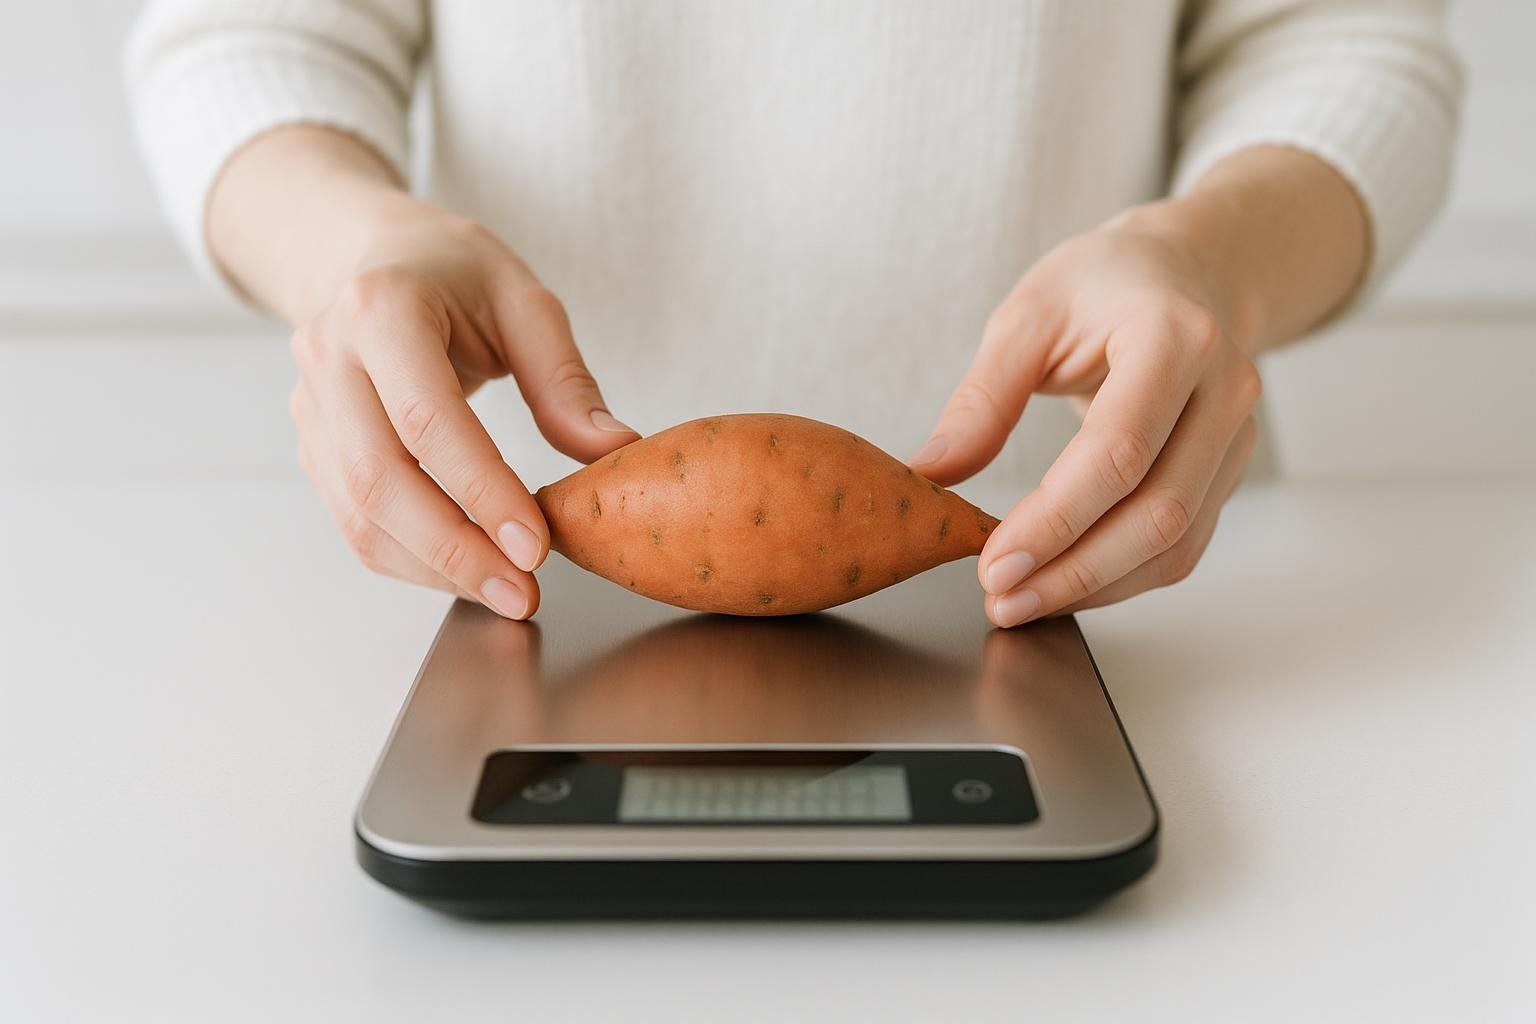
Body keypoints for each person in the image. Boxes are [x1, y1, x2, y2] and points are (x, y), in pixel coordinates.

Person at [126, 1, 1461, 626]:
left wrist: (1213, 259)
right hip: (495, 558)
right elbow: (241, 36)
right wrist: (352, 241)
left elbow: (1344, 43)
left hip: (1134, 568)